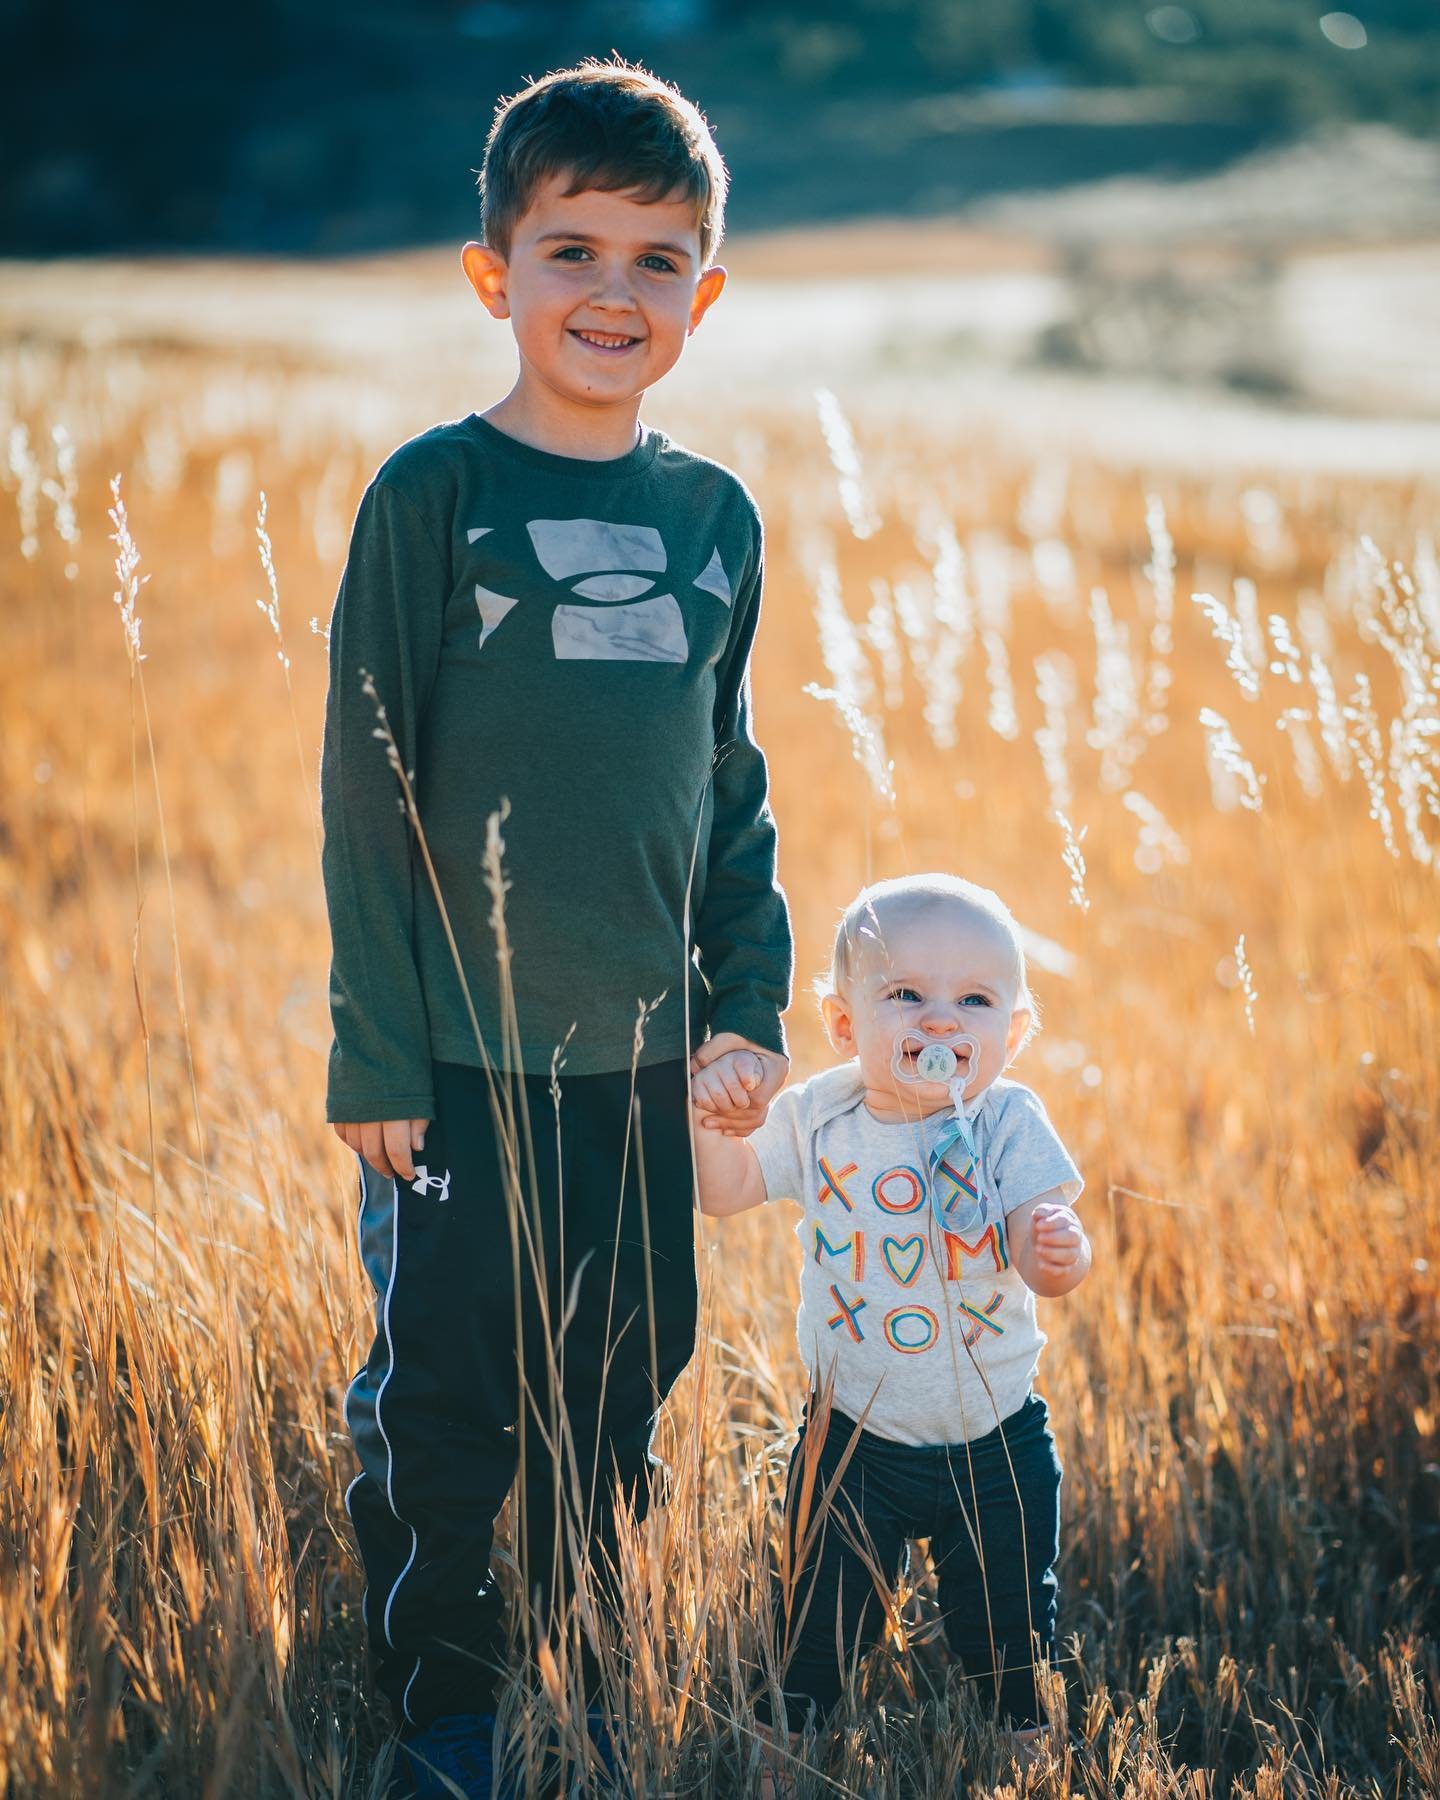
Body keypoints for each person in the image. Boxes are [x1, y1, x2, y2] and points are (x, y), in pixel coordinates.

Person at [320, 58, 792, 1797]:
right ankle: (445, 1712)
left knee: (617, 1391)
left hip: (645, 1062)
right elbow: (367, 790)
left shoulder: (716, 520)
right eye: (573, 248)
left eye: (658, 259)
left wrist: (747, 999)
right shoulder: (430, 499)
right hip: (453, 1058)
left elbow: (728, 783)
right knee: (446, 1406)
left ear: (706, 293)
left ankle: (587, 1675)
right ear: (492, 273)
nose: (614, 292)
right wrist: (375, 1049)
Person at [691, 873, 1091, 1784]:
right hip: (852, 1442)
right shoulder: (821, 1113)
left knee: (1010, 1625)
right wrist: (713, 1124)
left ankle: (1024, 1744)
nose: (942, 1021)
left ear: (1013, 1033)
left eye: (974, 1001)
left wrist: (1057, 1249)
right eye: (906, 995)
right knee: (814, 1620)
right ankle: (790, 1747)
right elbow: (725, 1193)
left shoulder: (1006, 1120)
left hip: (994, 1441)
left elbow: (1040, 1242)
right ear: (843, 1025)